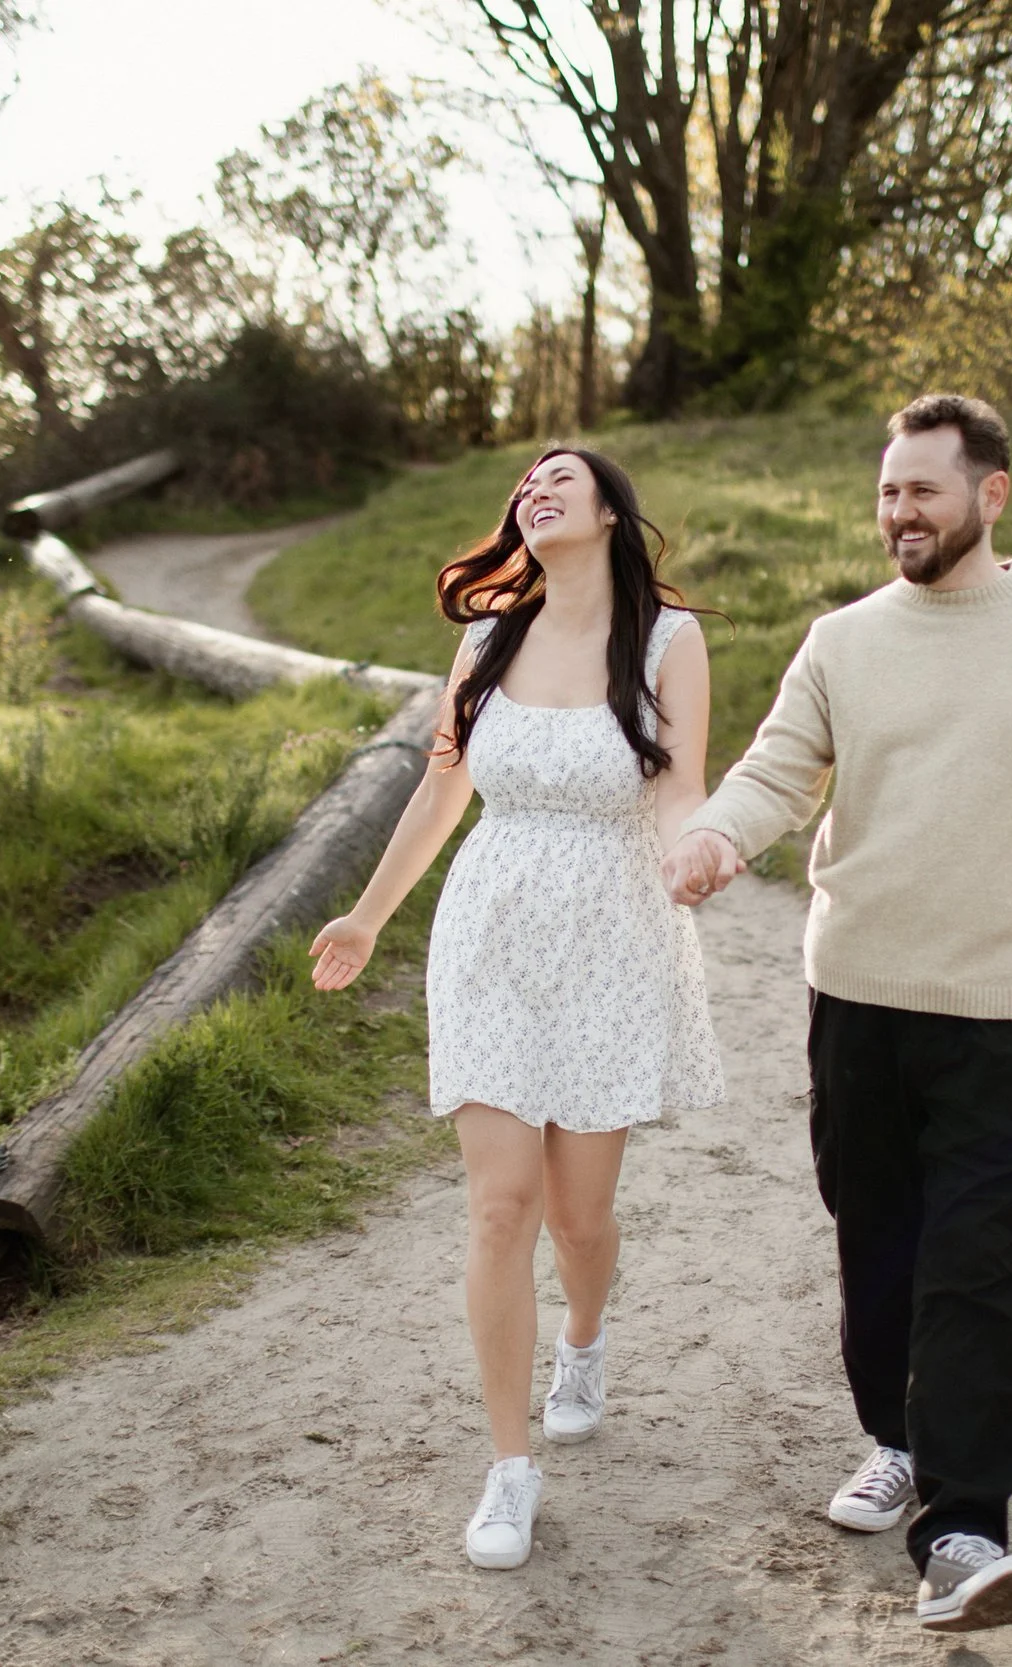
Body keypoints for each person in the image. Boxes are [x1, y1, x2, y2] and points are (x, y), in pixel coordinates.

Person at [661, 394, 1012, 1632]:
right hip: (860, 1001)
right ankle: (896, 1437)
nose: (900, 512)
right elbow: (778, 767)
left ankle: (964, 1527)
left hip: (1010, 1009)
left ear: (991, 494)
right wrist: (719, 836)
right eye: (888, 491)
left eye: (923, 491)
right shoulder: (844, 639)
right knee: (878, 1242)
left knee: (981, 1265)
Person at [310, 447, 723, 1572]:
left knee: (580, 1217)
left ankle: (582, 1340)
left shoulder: (668, 642)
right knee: (501, 1207)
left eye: (561, 480)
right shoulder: (488, 637)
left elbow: (679, 785)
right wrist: (368, 916)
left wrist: (694, 850)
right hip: (488, 934)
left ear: (610, 512)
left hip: (610, 936)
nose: (536, 492)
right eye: (526, 484)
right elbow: (442, 784)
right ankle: (509, 1468)